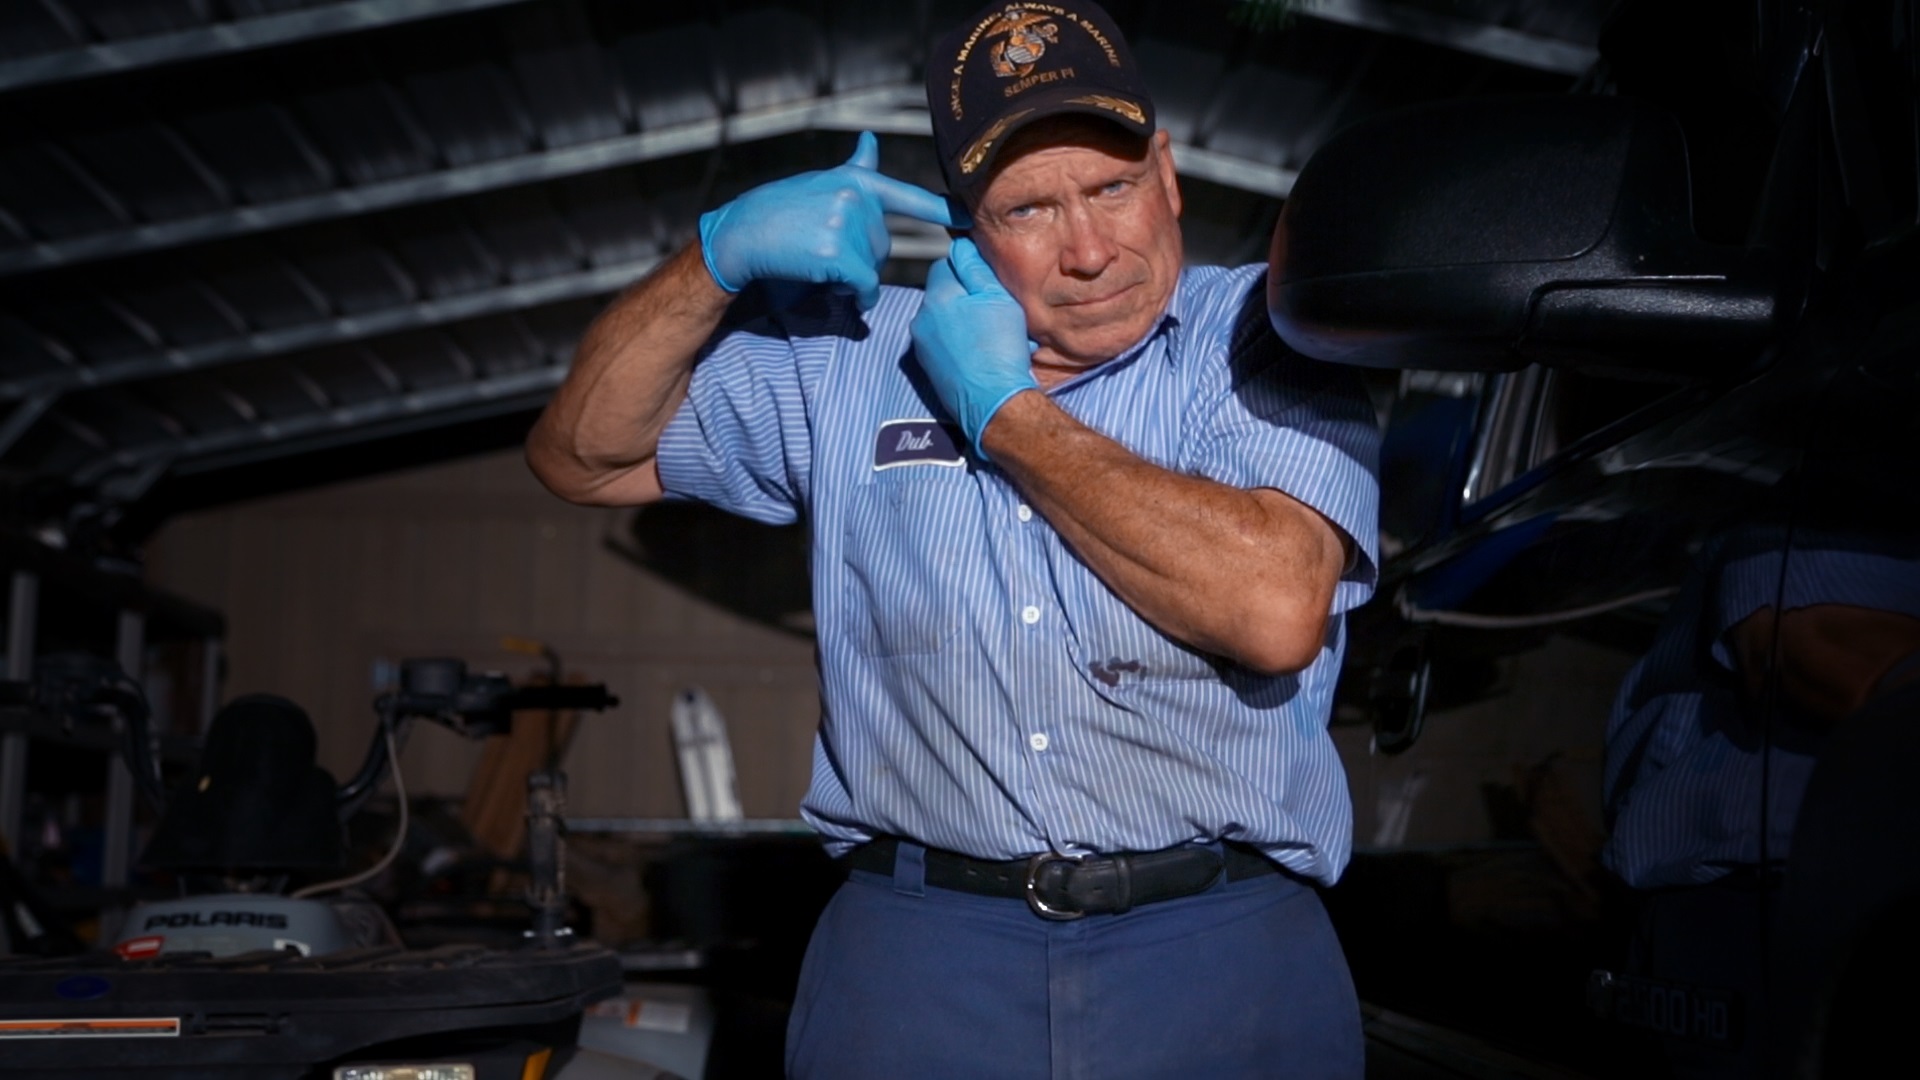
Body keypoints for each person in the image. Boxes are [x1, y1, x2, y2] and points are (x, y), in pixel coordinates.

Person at [527, 2, 1380, 1075]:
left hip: (1217, 941)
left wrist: (1003, 410)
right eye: (1028, 209)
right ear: (966, 226)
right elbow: (581, 457)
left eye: (1112, 188)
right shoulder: (850, 353)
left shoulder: (1265, 331)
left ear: (1167, 173)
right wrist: (714, 262)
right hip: (920, 952)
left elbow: (1273, 609)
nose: (1087, 249)